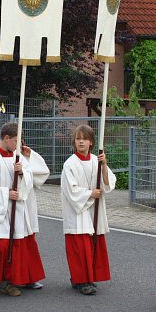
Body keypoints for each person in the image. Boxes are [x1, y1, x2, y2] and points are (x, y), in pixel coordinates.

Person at [0, 122, 45, 297]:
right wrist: (6, 193)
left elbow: (30, 180)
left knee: (12, 246)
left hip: (15, 209)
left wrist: (21, 173)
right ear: (6, 138)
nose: (18, 146)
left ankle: (7, 281)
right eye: (15, 141)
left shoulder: (17, 157)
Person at [60, 125, 116, 295]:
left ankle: (89, 277)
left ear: (91, 142)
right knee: (80, 247)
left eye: (84, 139)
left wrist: (104, 165)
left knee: (93, 245)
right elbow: (71, 190)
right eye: (78, 138)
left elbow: (107, 183)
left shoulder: (96, 161)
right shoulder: (70, 164)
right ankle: (81, 280)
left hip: (93, 210)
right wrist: (90, 193)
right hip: (78, 210)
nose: (81, 142)